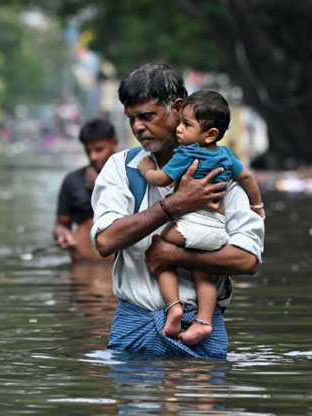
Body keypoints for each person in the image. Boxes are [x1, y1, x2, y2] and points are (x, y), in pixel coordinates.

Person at [90, 63, 264, 359]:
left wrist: (176, 256)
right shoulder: (123, 168)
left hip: (202, 330)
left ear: (177, 108)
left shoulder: (222, 170)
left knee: (199, 404)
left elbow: (247, 259)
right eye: (131, 119)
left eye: (147, 116)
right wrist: (174, 206)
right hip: (133, 328)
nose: (138, 128)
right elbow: (105, 241)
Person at [136, 90, 265, 345]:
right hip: (217, 230)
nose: (179, 130)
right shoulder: (227, 156)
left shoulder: (186, 154)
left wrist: (146, 170)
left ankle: (173, 307)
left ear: (210, 134)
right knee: (202, 271)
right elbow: (248, 178)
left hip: (191, 225)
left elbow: (163, 179)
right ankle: (204, 322)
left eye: (186, 125)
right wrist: (257, 205)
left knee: (159, 251)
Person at [53, 118, 119, 262]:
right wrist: (63, 235)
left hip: (121, 267)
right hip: (84, 264)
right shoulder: (72, 181)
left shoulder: (132, 177)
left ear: (114, 144)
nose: (93, 156)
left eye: (99, 150)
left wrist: (103, 186)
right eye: (88, 151)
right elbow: (61, 224)